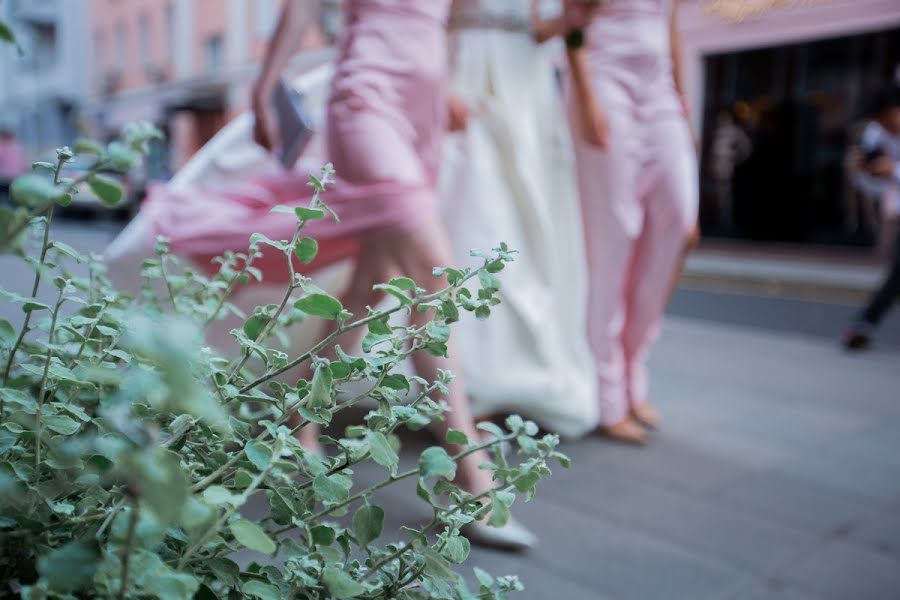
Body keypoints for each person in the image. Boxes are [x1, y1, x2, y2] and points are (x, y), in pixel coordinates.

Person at [116, 0, 537, 550]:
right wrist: (267, 87)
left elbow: (448, 20)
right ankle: (468, 471)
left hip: (423, 108)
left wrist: (446, 88)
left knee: (369, 286)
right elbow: (301, 9)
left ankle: (299, 421)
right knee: (436, 278)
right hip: (365, 97)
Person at [439, 0, 598, 438]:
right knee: (478, 220)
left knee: (529, 232)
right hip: (467, 68)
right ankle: (468, 381)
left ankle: (516, 375)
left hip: (526, 83)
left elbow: (535, 24)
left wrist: (569, 24)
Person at [565, 0, 698, 445]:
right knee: (614, 237)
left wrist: (683, 105)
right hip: (604, 79)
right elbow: (573, 24)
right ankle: (608, 393)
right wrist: (585, 95)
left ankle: (633, 366)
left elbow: (672, 29)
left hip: (660, 93)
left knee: (679, 221)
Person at [843, 83, 900, 350]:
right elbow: (876, 187)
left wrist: (894, 171)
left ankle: (865, 322)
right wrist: (863, 173)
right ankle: (864, 323)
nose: (887, 125)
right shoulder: (876, 134)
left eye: (890, 117)